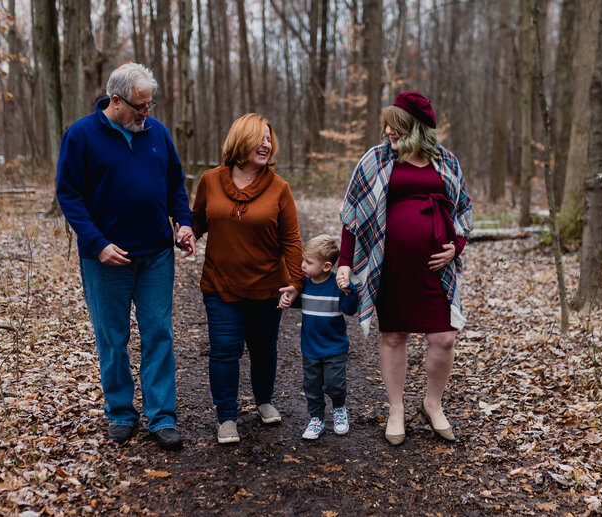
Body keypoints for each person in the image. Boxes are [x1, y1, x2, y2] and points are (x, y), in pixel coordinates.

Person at [56, 62, 195, 451]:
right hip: (106, 260)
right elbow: (69, 196)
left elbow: (175, 187)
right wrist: (97, 243)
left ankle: (161, 417)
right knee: (112, 338)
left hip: (155, 256)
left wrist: (183, 223)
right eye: (139, 106)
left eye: (150, 104)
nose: (146, 113)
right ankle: (121, 412)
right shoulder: (82, 136)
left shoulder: (157, 133)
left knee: (159, 334)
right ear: (116, 101)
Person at [336, 91, 473, 446]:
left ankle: (432, 403)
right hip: (390, 266)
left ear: (415, 128)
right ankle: (396, 409)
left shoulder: (446, 162)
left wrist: (454, 248)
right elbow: (352, 216)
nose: (388, 131)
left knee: (443, 337)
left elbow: (464, 212)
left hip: (435, 271)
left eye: (395, 126)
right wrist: (346, 263)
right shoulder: (376, 160)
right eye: (387, 125)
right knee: (394, 335)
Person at [192, 113, 303, 445]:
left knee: (264, 348)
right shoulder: (210, 181)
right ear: (240, 140)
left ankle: (264, 401)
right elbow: (198, 221)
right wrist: (186, 234)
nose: (266, 144)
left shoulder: (279, 188)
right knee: (224, 350)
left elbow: (292, 240)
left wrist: (296, 283)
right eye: (260, 137)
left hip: (268, 285)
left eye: (269, 139)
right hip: (220, 282)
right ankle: (226, 417)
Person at [279, 235, 358, 440]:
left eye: (309, 262)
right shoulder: (303, 284)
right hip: (310, 348)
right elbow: (294, 300)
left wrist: (351, 293)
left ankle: (339, 409)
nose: (303, 265)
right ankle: (316, 419)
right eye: (304, 260)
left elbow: (349, 311)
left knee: (334, 384)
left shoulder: (336, 285)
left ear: (326, 266)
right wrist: (287, 298)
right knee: (312, 386)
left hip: (335, 347)